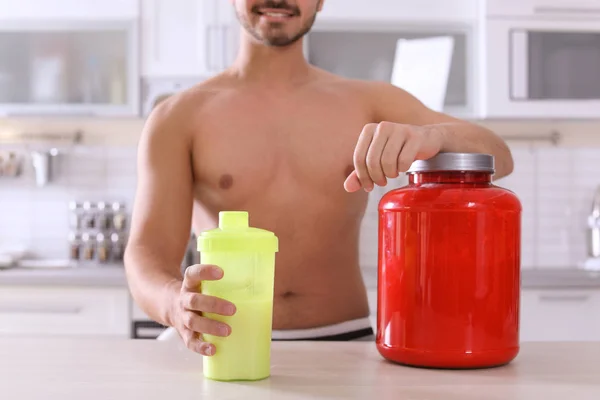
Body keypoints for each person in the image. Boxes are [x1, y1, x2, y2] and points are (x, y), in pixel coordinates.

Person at [124, 0, 514, 356]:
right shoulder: (178, 117)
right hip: (227, 344)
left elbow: (500, 154)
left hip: (349, 341)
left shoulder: (368, 101)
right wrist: (174, 303)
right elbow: (146, 256)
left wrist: (436, 136)